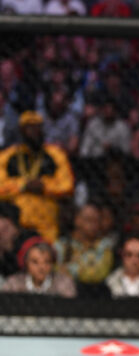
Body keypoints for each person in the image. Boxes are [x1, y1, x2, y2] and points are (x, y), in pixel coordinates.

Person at [0, 110, 74, 242]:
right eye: (29, 127)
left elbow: (67, 185)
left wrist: (44, 187)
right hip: (17, 223)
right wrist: (22, 185)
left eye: (37, 127)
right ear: (21, 131)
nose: (34, 131)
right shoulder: (7, 156)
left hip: (46, 223)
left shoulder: (56, 155)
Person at [1, 236, 76, 297]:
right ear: (26, 263)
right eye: (35, 262)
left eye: (47, 262)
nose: (41, 267)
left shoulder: (63, 284)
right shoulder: (14, 284)